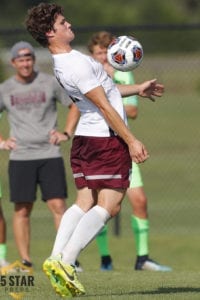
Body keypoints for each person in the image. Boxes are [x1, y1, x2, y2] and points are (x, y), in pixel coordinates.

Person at [25, 3, 164, 297]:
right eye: (62, 22)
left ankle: (56, 257)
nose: (68, 24)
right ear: (50, 32)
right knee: (110, 205)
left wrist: (137, 87)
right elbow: (103, 105)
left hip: (87, 140)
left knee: (85, 201)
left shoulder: (68, 61)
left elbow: (105, 92)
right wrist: (131, 140)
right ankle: (66, 261)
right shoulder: (75, 64)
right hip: (105, 140)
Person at [88, 31, 172, 272]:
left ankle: (142, 258)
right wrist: (110, 101)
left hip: (125, 147)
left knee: (140, 201)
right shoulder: (90, 76)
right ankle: (105, 259)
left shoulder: (125, 73)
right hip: (99, 147)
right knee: (104, 207)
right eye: (98, 53)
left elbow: (132, 111)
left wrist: (109, 100)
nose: (104, 57)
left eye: (106, 51)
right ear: (92, 56)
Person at [0, 40, 79, 273]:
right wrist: (2, 141)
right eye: (21, 59)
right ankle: (26, 261)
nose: (25, 63)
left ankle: (64, 258)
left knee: (58, 205)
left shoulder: (49, 83)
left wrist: (66, 132)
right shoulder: (5, 89)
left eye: (29, 58)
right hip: (20, 157)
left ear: (34, 60)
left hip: (49, 153)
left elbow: (74, 105)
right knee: (22, 209)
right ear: (13, 62)